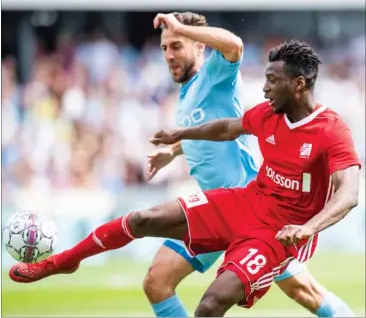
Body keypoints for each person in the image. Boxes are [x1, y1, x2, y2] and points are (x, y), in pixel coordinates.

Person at [9, 39, 360, 317]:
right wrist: (181, 136)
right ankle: (63, 261)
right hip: (246, 202)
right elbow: (226, 127)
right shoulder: (269, 114)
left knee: (210, 305)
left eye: (272, 80)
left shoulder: (331, 131)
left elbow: (349, 194)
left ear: (299, 84)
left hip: (279, 234)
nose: (265, 89)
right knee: (144, 218)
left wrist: (308, 228)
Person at [143, 13, 355, 317]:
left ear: (200, 47)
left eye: (176, 45)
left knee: (163, 282)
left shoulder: (214, 72)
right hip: (218, 204)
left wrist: (182, 27)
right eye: (164, 48)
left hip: (243, 205)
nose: (169, 55)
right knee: (302, 289)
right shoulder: (189, 87)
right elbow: (215, 130)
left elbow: (235, 46)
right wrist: (176, 150)